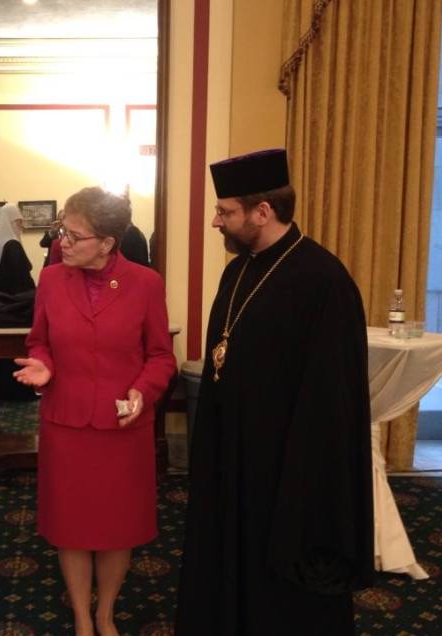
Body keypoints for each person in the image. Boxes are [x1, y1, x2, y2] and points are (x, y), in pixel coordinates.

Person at [175, 149, 373, 635]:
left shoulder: (324, 282)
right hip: (232, 460)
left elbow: (332, 402)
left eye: (225, 211)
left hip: (287, 472)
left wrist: (300, 484)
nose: (216, 221)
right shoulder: (238, 269)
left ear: (262, 212)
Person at [14, 186, 176, 636]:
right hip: (66, 424)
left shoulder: (146, 283)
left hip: (123, 426)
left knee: (117, 528)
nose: (61, 242)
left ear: (107, 243)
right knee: (71, 527)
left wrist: (142, 391)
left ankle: (105, 612)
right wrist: (44, 365)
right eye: (61, 231)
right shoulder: (51, 280)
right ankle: (83, 619)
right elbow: (39, 341)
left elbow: (160, 356)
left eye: (73, 235)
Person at [0, 202, 35, 296]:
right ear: (12, 223)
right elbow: (22, 278)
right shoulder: (13, 245)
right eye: (19, 222)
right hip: (13, 299)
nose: (22, 226)